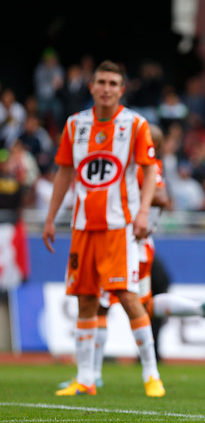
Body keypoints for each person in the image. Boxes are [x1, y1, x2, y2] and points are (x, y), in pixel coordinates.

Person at [57, 123, 205, 390]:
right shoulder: (138, 167)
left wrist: (131, 201)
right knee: (136, 305)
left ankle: (102, 373)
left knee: (113, 303)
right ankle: (94, 373)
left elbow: (162, 197)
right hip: (132, 244)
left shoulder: (145, 168)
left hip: (130, 245)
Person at [42, 60, 163, 397]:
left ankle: (151, 374)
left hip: (118, 226)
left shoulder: (136, 125)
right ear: (91, 86)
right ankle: (85, 379)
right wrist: (51, 218)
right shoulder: (74, 125)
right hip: (82, 227)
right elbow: (65, 173)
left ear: (121, 89)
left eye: (113, 83)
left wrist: (141, 213)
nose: (106, 88)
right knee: (85, 300)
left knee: (126, 295)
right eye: (101, 82)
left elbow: (150, 170)